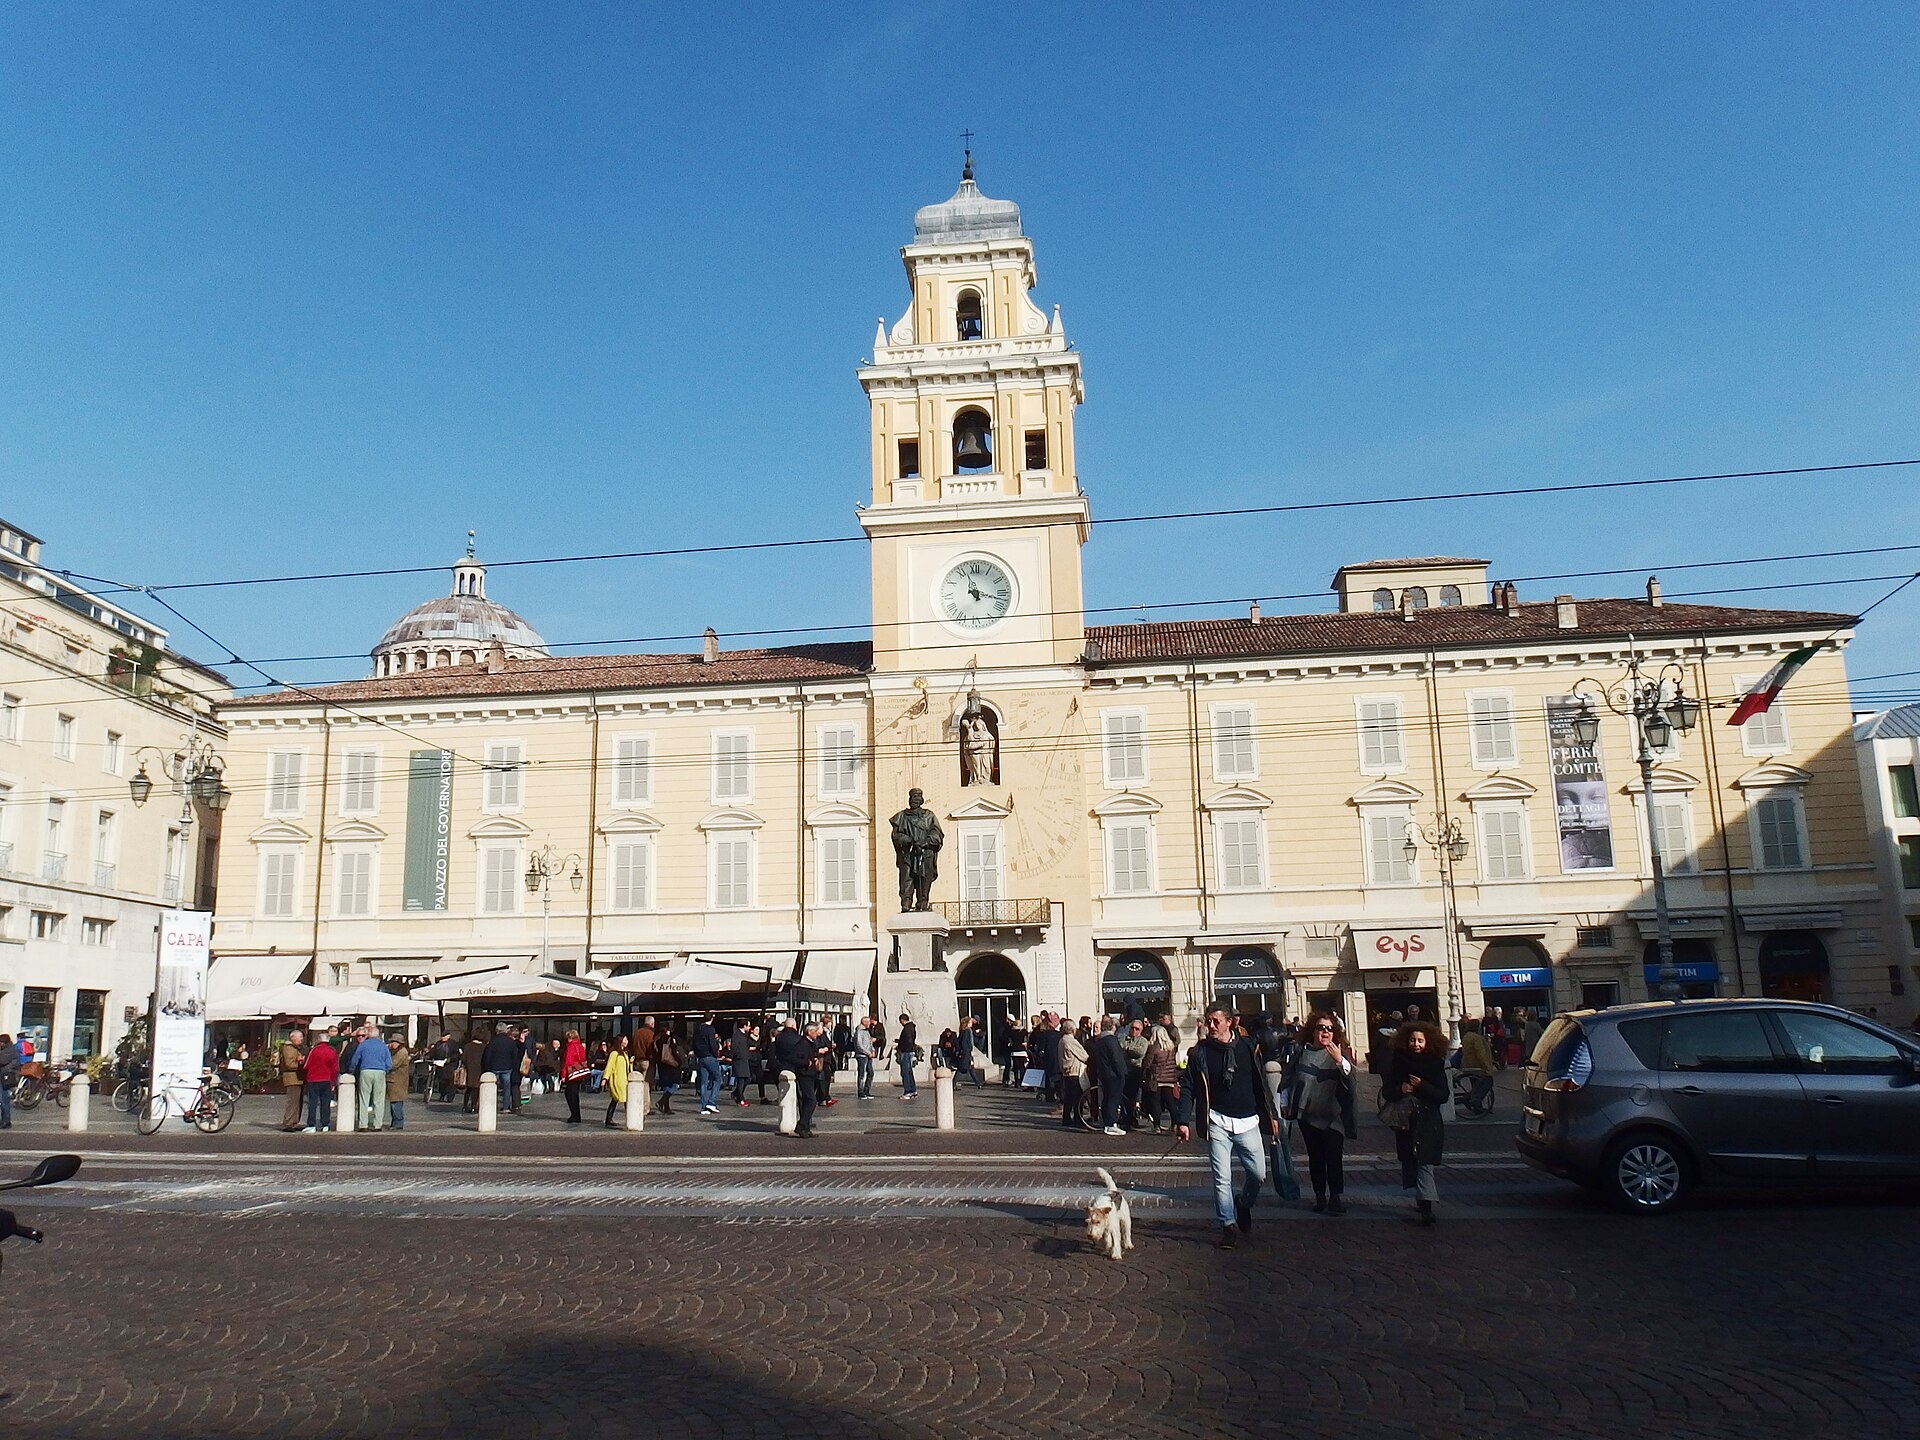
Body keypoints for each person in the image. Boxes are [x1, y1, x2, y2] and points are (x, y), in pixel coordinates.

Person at [1176, 1003, 1281, 1249]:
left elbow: (1261, 1083)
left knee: (1258, 1174)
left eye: (1215, 1021)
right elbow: (1188, 1087)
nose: (1211, 1026)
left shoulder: (1248, 1047)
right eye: (1208, 1021)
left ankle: (1243, 1203)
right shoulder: (1200, 1052)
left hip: (1248, 1119)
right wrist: (1182, 1121)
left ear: (1231, 1022)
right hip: (1217, 1121)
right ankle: (1227, 1226)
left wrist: (1272, 1115)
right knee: (1222, 1178)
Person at [1285, 1012, 1357, 1215]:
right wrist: (1286, 1103)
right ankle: (1319, 1196)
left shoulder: (1339, 1053)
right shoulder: (1302, 1051)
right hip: (1308, 1115)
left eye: (1329, 1028)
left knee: (1333, 1156)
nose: (1325, 1032)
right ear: (1313, 1031)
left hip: (1333, 1116)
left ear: (1335, 1033)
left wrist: (1339, 1061)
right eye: (1320, 1028)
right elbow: (1290, 1078)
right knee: (1315, 1156)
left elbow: (1351, 1079)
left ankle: (1335, 1197)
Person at [1383, 1020, 1449, 1225]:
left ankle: (1427, 1204)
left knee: (1425, 1161)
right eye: (1412, 1040)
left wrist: (1422, 1086)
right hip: (1407, 1120)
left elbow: (1443, 1095)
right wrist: (1401, 1089)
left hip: (1429, 1120)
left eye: (1420, 1040)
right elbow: (1387, 1091)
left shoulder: (1436, 1063)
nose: (1416, 1044)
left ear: (1428, 1042)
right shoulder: (1398, 1062)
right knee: (1411, 1160)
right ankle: (1422, 1198)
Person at [1140, 1024, 1180, 1134]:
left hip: (1156, 1078)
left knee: (1156, 1103)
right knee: (1170, 1102)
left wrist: (1144, 1072)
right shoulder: (1171, 1047)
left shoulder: (1153, 1047)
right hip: (1170, 1078)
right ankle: (1175, 1124)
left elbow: (1147, 1063)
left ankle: (1156, 1126)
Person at [351, 1026, 392, 1131]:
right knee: (379, 1099)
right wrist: (385, 1070)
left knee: (364, 1098)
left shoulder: (363, 1045)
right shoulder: (383, 1046)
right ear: (378, 1035)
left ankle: (363, 1124)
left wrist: (351, 1070)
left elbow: (355, 1059)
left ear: (368, 1035)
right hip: (380, 1071)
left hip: (366, 1070)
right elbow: (389, 1063)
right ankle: (377, 1124)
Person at [1091, 1017, 1128, 1136]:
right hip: (1113, 1074)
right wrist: (1122, 1072)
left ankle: (1107, 1122)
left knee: (1107, 1098)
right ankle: (1112, 1124)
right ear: (1113, 1027)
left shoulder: (1099, 1040)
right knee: (1113, 1099)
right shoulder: (1111, 1040)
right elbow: (1116, 1058)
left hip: (1103, 1073)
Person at [302, 1029, 339, 1132]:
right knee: (325, 1103)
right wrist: (334, 1082)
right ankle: (325, 1124)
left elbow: (306, 1065)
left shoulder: (314, 1050)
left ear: (319, 1040)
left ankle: (312, 1124)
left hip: (313, 1079)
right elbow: (335, 1068)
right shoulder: (332, 1051)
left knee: (313, 1103)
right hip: (327, 1080)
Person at [482, 1023, 522, 1116]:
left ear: (497, 1031)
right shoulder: (510, 1042)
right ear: (505, 1031)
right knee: (506, 1088)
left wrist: (487, 1067)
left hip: (494, 1067)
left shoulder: (492, 1042)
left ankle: (491, 1105)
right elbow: (515, 1055)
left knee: (492, 1087)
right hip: (507, 1068)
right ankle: (505, 1107)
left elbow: (487, 1055)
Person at [1058, 1021, 1091, 1130]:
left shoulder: (1061, 1040)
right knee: (1078, 1097)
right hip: (1074, 1071)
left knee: (1069, 1097)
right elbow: (1084, 1055)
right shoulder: (1071, 1041)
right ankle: (1078, 1118)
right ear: (1073, 1030)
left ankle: (1066, 1118)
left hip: (1066, 1071)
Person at [1119, 1019, 1150, 1127]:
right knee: (1123, 1096)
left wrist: (1127, 1049)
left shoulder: (1143, 1041)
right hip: (1124, 1070)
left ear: (1141, 1030)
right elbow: (1120, 1049)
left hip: (1136, 1071)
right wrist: (1129, 1050)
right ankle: (1125, 1117)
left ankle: (1133, 1117)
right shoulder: (1122, 1038)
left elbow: (1139, 1053)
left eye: (1137, 1029)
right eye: (1132, 1028)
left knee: (1133, 1097)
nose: (1134, 1030)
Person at [691, 1013, 723, 1116]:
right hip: (709, 1056)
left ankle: (704, 1106)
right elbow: (712, 1043)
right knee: (718, 1078)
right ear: (712, 1018)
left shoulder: (698, 1029)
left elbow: (694, 1043)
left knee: (703, 1082)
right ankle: (711, 1101)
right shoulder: (710, 1029)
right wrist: (716, 1054)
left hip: (701, 1057)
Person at [277, 1029, 307, 1132]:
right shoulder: (288, 1048)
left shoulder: (296, 1048)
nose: (302, 1039)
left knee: (298, 1102)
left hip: (298, 1078)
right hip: (292, 1078)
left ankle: (294, 1122)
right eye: (300, 1037)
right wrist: (301, 1064)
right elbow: (289, 1063)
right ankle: (288, 1123)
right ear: (293, 1037)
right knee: (292, 1102)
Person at [652, 1024, 683, 1115]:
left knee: (666, 1086)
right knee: (674, 1085)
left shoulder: (656, 1039)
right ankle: (661, 1101)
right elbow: (673, 1051)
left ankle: (666, 1108)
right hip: (670, 1064)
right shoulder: (669, 1039)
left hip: (661, 1065)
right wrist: (679, 1061)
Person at [560, 1029, 589, 1124]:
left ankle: (574, 1115)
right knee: (575, 1093)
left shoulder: (570, 1047)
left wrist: (563, 1075)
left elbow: (567, 1062)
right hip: (579, 1071)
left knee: (569, 1093)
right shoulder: (580, 1046)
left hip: (572, 1072)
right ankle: (577, 1115)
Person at [603, 1035, 631, 1126]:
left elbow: (627, 1067)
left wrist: (631, 1063)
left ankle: (609, 1119)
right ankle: (630, 1118)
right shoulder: (614, 1053)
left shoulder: (624, 1053)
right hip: (617, 1080)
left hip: (624, 1080)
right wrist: (605, 1078)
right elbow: (609, 1066)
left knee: (617, 1099)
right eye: (625, 1039)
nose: (627, 1041)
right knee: (621, 1099)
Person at [387, 1037, 412, 1130]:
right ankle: (395, 1122)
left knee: (396, 1103)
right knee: (393, 1103)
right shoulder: (396, 1052)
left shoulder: (402, 1053)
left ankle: (398, 1122)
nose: (392, 1044)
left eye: (394, 1042)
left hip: (398, 1081)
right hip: (394, 1081)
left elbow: (393, 1064)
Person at [730, 1022, 756, 1107]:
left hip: (745, 1059)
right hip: (739, 1060)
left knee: (748, 1078)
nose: (749, 1028)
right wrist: (736, 1056)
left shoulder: (745, 1035)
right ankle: (740, 1098)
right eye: (748, 1026)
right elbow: (734, 1047)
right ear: (744, 1026)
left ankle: (736, 1093)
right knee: (741, 1080)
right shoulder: (736, 1035)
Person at [462, 1028, 486, 1114]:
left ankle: (465, 1105)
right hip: (480, 1070)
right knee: (476, 1089)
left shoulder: (468, 1046)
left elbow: (463, 1058)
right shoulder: (484, 1047)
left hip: (470, 1069)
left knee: (468, 1089)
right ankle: (473, 1106)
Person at [852, 1016, 877, 1099]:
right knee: (862, 1074)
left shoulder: (867, 1031)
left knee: (870, 1072)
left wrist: (872, 1050)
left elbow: (870, 1042)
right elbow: (859, 1045)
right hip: (862, 1056)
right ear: (864, 1022)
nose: (870, 1023)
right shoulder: (859, 1031)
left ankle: (867, 1090)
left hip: (868, 1055)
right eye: (869, 1021)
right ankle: (861, 1091)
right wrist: (867, 1052)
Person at [896, 1013, 919, 1100]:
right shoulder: (911, 1028)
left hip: (906, 1051)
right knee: (909, 1071)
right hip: (909, 1050)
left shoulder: (907, 1029)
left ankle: (908, 1091)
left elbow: (908, 1040)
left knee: (905, 1072)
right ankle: (913, 1090)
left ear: (902, 1020)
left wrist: (901, 1047)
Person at [0, 1033, 18, 1129]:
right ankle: (4, 1120)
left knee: (4, 1100)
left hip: (5, 1077)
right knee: (3, 1100)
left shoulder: (10, 1050)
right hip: (3, 1076)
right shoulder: (7, 1049)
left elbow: (2, 1061)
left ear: (4, 1042)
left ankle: (6, 1121)